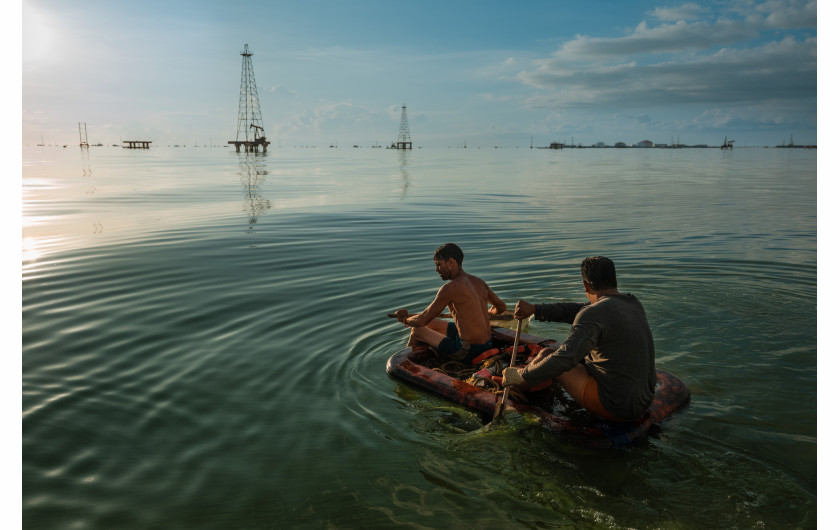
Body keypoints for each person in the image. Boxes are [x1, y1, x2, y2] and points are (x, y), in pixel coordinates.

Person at [502, 256, 656, 422]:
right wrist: (535, 309)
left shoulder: (593, 313)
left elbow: (565, 359)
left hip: (616, 406)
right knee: (560, 354)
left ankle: (511, 389)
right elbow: (577, 310)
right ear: (615, 280)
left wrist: (521, 374)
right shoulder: (632, 302)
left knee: (547, 355)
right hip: (644, 400)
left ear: (585, 285)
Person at [395, 243, 507, 363]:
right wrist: (487, 312)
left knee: (417, 330)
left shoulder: (449, 288)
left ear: (451, 262)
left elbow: (421, 321)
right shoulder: (479, 282)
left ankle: (407, 363)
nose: (436, 269)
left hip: (468, 351)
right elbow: (501, 307)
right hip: (488, 344)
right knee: (431, 323)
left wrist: (405, 320)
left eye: (439, 264)